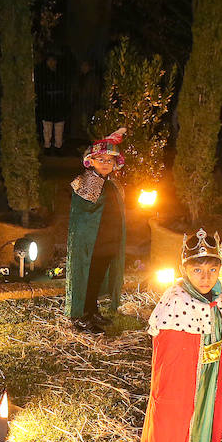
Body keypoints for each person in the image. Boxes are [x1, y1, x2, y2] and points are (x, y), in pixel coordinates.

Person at [138, 230, 222, 442]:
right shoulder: (178, 301)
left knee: (204, 428)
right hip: (181, 385)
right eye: (198, 270)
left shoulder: (219, 298)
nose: (206, 277)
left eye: (212, 269)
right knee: (173, 431)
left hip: (208, 382)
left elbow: (219, 344)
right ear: (184, 269)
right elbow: (168, 352)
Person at [65, 127, 127, 332]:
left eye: (109, 160)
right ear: (90, 161)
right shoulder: (84, 183)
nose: (105, 164)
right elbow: (83, 218)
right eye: (101, 160)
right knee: (87, 278)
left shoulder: (113, 185)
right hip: (91, 245)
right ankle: (81, 315)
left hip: (108, 243)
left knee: (98, 277)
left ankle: (92, 310)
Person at [37, 55, 71, 153]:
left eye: (53, 61)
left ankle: (58, 146)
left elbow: (65, 89)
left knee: (58, 127)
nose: (51, 63)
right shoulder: (43, 75)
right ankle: (47, 145)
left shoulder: (61, 74)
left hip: (58, 105)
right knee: (47, 127)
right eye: (49, 61)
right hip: (48, 105)